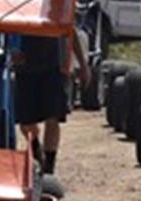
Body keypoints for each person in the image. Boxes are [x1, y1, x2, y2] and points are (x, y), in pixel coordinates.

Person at [14, 33, 90, 175]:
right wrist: (13, 50)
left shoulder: (58, 10)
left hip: (54, 67)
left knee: (53, 117)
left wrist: (83, 64)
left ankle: (49, 167)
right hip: (25, 67)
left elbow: (70, 30)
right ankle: (36, 148)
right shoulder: (22, 10)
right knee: (25, 123)